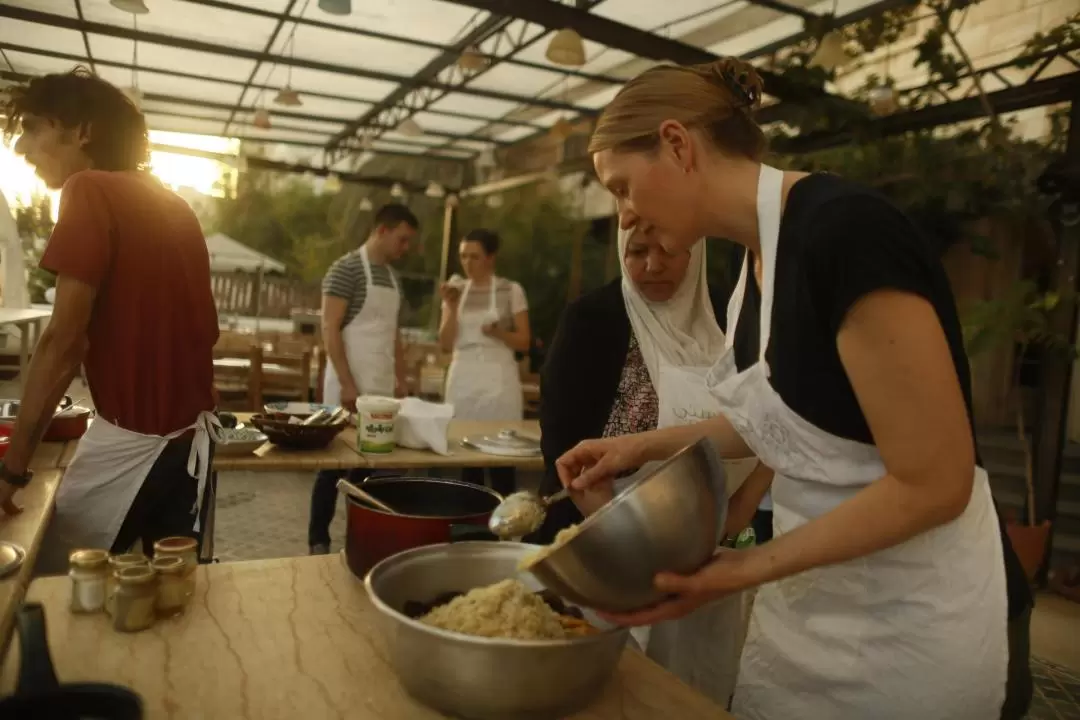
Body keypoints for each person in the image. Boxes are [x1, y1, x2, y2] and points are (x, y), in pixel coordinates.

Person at [557, 58, 1033, 719]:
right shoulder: (753, 270)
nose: (626, 213)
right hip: (810, 613)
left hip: (908, 626)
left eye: (622, 187)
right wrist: (636, 446)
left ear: (676, 144)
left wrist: (742, 569)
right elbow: (788, 420)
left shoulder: (845, 235)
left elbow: (937, 481)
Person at [532, 223, 772, 705]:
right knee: (609, 690)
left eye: (669, 249)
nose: (652, 264)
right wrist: (611, 524)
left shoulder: (732, 315)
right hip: (603, 542)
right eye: (637, 251)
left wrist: (742, 505)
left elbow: (776, 418)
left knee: (686, 692)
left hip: (710, 549)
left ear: (697, 251)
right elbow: (561, 440)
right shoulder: (593, 319)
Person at [0, 68, 220, 566]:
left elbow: (63, 343)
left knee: (43, 590)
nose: (20, 147)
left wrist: (12, 470)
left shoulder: (90, 190)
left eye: (34, 127)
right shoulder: (174, 205)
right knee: (169, 605)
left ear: (83, 131)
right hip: (190, 451)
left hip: (132, 451)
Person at [307, 203, 417, 555]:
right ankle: (318, 542)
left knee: (372, 471)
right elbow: (330, 328)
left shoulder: (392, 278)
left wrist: (402, 379)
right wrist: (347, 384)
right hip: (347, 387)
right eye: (402, 240)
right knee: (333, 466)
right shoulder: (345, 269)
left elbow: (393, 334)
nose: (405, 248)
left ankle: (361, 542)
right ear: (381, 230)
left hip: (382, 390)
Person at [438, 229, 530, 497]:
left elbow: (524, 340)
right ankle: (470, 521)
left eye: (474, 257)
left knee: (502, 455)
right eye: (463, 257)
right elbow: (444, 342)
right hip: (464, 375)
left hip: (498, 378)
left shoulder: (511, 290)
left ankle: (505, 524)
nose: (467, 263)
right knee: (466, 455)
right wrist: (451, 307)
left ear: (491, 257)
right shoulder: (455, 291)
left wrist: (498, 332)